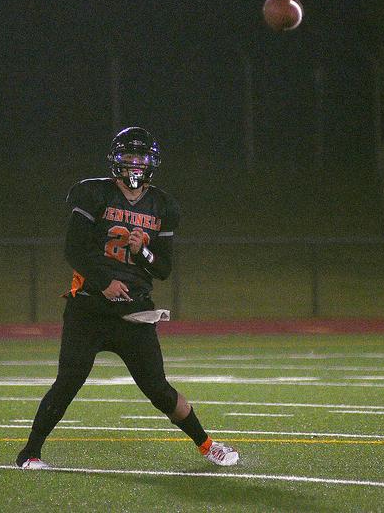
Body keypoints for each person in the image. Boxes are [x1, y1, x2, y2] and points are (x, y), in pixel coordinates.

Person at [15, 126, 239, 469]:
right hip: (89, 306)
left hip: (133, 312)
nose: (135, 164)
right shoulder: (93, 194)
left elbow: (162, 268)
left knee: (159, 390)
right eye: (129, 157)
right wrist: (104, 282)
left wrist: (142, 251)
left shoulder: (163, 205)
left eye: (141, 158)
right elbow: (74, 249)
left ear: (151, 162)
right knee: (68, 382)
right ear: (116, 161)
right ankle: (29, 454)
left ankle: (207, 445)